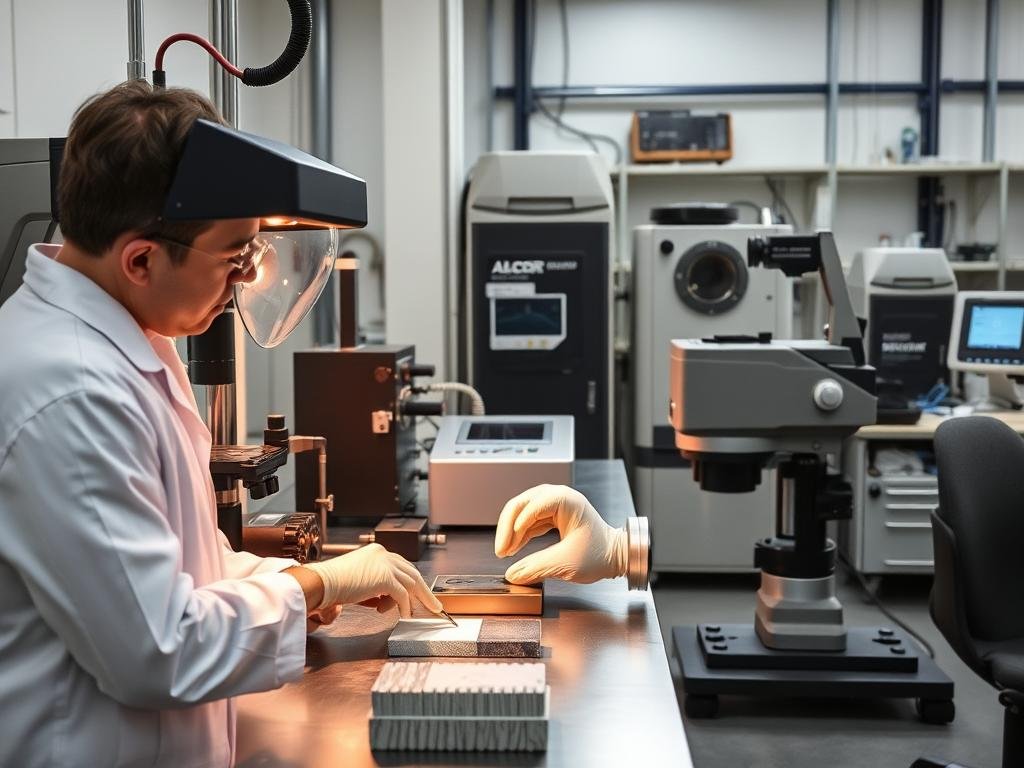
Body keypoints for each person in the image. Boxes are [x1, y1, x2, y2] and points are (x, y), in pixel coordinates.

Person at [0, 80, 441, 767]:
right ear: (141, 259)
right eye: (235, 257)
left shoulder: (130, 343)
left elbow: (183, 568)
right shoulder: (71, 392)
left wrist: (301, 583)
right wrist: (314, 587)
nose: (243, 280)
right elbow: (159, 648)